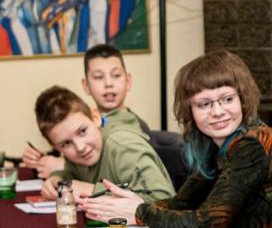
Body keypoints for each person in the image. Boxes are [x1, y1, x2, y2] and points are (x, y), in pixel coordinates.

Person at [82, 50, 272, 228]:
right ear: (190, 110)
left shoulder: (255, 144)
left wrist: (140, 212)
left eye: (227, 99)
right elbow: (181, 203)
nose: (218, 111)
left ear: (242, 99)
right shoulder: (211, 144)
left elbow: (206, 225)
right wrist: (132, 206)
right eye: (204, 104)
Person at [23, 43, 150, 178]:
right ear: (86, 85)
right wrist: (40, 160)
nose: (108, 84)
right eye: (98, 77)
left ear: (128, 81)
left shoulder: (132, 131)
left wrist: (62, 165)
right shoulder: (82, 121)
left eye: (116, 75)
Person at [31, 85, 173, 202]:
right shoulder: (82, 152)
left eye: (82, 131)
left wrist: (93, 191)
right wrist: (58, 178)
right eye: (66, 143)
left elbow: (163, 201)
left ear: (95, 117)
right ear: (55, 146)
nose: (80, 147)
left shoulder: (123, 146)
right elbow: (73, 172)